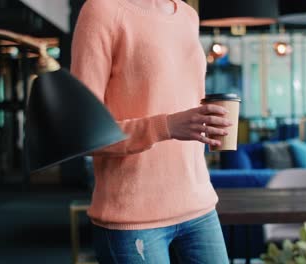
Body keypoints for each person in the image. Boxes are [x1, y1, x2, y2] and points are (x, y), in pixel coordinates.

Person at [71, 0, 231, 262]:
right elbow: (83, 134)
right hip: (133, 216)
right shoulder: (102, 10)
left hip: (199, 204)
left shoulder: (188, 15)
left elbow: (185, 100)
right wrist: (165, 126)